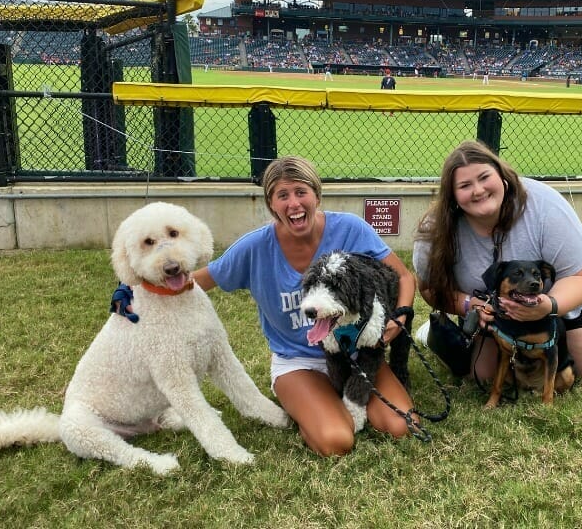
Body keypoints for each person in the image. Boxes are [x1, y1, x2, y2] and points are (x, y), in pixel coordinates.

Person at [113, 156, 416, 457]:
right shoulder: (254, 248)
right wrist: (131, 287)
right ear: (271, 204)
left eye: (301, 192)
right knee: (336, 441)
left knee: (401, 425)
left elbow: (403, 276)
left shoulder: (350, 229)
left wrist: (400, 315)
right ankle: (312, 406)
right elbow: (190, 281)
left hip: (355, 352)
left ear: (316, 195)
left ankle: (334, 398)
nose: (293, 203)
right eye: (282, 195)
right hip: (298, 361)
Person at [413, 140, 582, 386]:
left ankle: (558, 332)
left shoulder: (545, 205)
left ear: (502, 177)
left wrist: (549, 306)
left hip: (559, 288)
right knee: (482, 376)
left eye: (484, 177)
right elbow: (428, 288)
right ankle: (431, 332)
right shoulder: (436, 229)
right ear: (452, 196)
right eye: (465, 185)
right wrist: (468, 304)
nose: (478, 190)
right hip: (491, 305)